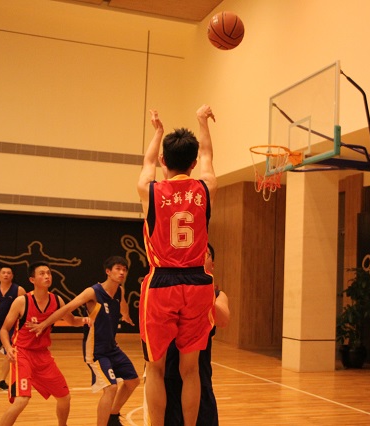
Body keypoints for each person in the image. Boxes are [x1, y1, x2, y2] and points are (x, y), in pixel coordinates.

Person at [137, 105, 217, 426]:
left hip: (162, 283)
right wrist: (202, 120)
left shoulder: (150, 190)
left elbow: (146, 164)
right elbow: (208, 154)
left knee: (155, 368)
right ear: (193, 163)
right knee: (191, 370)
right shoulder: (205, 188)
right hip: (198, 282)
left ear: (163, 161)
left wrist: (157, 131)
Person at [29, 256, 139, 426]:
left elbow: (122, 304)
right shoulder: (93, 292)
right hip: (96, 350)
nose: (122, 272)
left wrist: (126, 315)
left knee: (133, 381)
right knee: (111, 388)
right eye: (118, 269)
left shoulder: (120, 291)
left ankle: (112, 416)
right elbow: (67, 308)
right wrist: (44, 324)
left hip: (112, 347)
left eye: (124, 269)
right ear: (108, 271)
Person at [143, 244, 230, 426]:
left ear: (212, 264)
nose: (197, 258)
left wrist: (202, 295)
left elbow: (223, 320)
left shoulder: (218, 294)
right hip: (166, 381)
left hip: (200, 380)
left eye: (204, 255)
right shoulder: (165, 290)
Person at [0, 261, 88, 426]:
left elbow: (72, 320)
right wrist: (8, 348)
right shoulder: (22, 301)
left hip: (43, 355)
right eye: (42, 273)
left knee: (65, 397)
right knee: (22, 400)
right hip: (22, 353)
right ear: (32, 279)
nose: (47, 276)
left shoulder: (56, 300)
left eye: (48, 273)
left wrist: (86, 320)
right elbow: (4, 329)